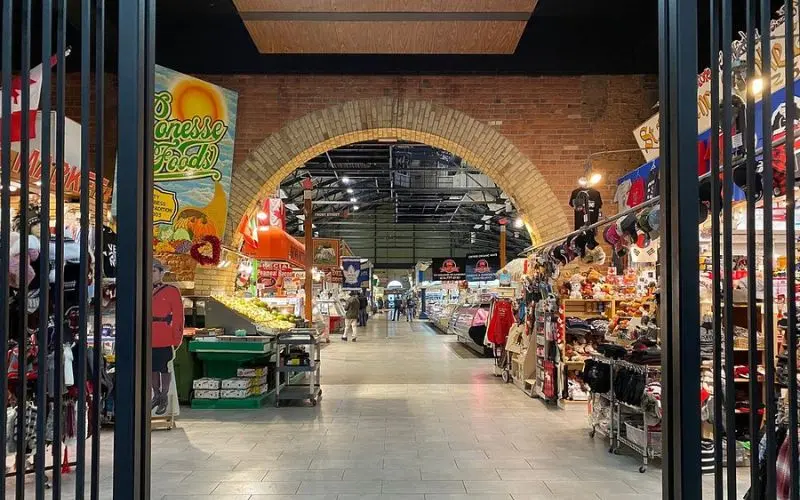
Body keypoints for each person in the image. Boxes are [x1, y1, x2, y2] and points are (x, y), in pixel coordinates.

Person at [151, 259, 184, 416]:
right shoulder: (140, 289)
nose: (151, 274)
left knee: (164, 367)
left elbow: (178, 316)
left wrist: (177, 338)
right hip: (147, 335)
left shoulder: (171, 291)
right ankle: (156, 395)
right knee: (151, 367)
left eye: (154, 271)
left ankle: (163, 396)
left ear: (161, 273)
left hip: (164, 334)